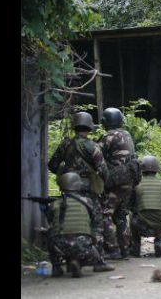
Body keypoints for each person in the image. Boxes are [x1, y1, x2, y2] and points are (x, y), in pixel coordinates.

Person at [47, 112, 113, 270]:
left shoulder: (65, 145)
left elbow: (52, 165)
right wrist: (104, 183)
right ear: (89, 127)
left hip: (69, 188)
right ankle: (99, 262)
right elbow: (103, 170)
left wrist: (65, 173)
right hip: (88, 189)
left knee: (67, 218)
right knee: (96, 223)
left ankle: (68, 259)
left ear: (74, 125)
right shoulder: (93, 146)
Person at [46, 172, 112, 278]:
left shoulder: (54, 204)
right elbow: (96, 222)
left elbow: (51, 221)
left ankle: (56, 267)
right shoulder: (88, 202)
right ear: (78, 185)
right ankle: (85, 263)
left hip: (59, 247)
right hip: (83, 247)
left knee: (50, 233)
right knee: (97, 232)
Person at [97, 107, 139, 259]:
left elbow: (95, 154)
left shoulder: (108, 137)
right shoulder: (127, 134)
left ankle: (113, 249)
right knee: (121, 216)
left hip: (116, 183)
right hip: (129, 181)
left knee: (105, 215)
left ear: (105, 122)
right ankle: (125, 249)